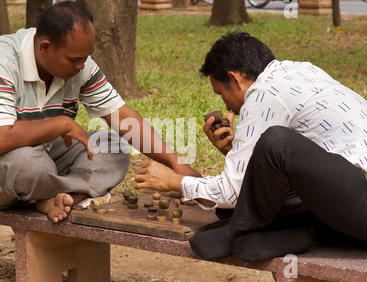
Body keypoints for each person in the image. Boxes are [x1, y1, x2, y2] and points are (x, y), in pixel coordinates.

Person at [0, 0, 200, 223]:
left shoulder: (79, 64)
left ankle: (57, 197)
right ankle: (63, 194)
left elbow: (123, 117)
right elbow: (0, 139)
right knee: (26, 163)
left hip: (43, 159)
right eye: (74, 60)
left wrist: (176, 164)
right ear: (45, 47)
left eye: (86, 57)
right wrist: (62, 125)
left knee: (113, 146)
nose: (81, 66)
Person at [135, 32, 367, 262]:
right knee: (261, 174)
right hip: (349, 204)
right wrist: (235, 151)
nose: (224, 103)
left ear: (234, 78)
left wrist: (173, 181)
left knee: (277, 142)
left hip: (359, 199)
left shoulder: (263, 95)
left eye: (220, 93)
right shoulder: (302, 70)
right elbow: (303, 166)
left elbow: (232, 192)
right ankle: (301, 233)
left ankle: (240, 230)